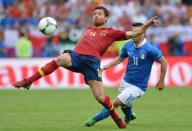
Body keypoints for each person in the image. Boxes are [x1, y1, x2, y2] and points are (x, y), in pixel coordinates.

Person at [12, 6, 159, 128]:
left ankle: (117, 119)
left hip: (92, 63)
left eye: (100, 14)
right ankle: (28, 81)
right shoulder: (87, 30)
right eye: (94, 14)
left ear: (106, 18)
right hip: (76, 56)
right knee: (60, 59)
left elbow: (136, 32)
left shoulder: (112, 32)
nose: (96, 15)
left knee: (101, 98)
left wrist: (147, 24)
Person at [85, 22, 167, 127]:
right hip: (126, 81)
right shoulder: (128, 45)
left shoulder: (150, 49)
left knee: (114, 103)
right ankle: (129, 117)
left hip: (138, 86)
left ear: (143, 33)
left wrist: (161, 80)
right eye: (133, 31)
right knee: (124, 104)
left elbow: (164, 62)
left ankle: (92, 121)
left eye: (137, 31)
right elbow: (120, 58)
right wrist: (108, 65)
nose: (134, 34)